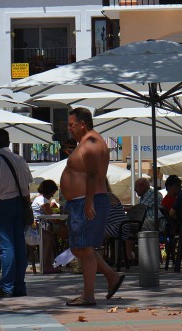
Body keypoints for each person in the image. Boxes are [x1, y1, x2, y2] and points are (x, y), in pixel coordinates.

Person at [60, 107, 124, 306]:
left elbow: (93, 174)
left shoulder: (92, 144)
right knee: (79, 247)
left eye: (71, 125)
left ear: (82, 124)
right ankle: (111, 276)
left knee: (84, 248)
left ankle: (88, 295)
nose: (69, 129)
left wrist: (88, 202)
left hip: (87, 200)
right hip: (82, 201)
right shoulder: (87, 143)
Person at [0, 128, 33, 298]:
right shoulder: (20, 160)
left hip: (2, 206)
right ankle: (20, 286)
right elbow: (26, 189)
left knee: (6, 247)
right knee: (19, 246)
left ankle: (6, 287)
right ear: (9, 142)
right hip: (20, 204)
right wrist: (27, 207)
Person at [31, 179, 59, 274]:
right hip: (33, 229)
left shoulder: (40, 198)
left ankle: (48, 264)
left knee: (49, 235)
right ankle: (46, 265)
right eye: (52, 193)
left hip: (36, 227)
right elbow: (51, 216)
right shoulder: (42, 200)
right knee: (49, 237)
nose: (53, 195)